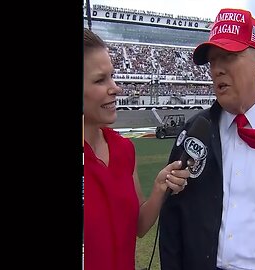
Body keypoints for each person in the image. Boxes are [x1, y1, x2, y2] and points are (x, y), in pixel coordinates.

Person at [159, 8, 255, 270]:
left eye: (228, 57)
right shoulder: (195, 133)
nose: (216, 69)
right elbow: (172, 222)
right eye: (212, 61)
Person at [83, 28, 190, 270]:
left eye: (112, 76)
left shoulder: (124, 149)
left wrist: (160, 188)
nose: (116, 88)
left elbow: (139, 226)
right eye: (101, 80)